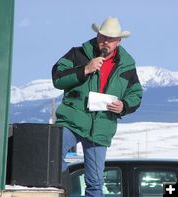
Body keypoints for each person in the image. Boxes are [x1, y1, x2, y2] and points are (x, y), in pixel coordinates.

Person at [52, 16, 142, 197]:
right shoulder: (78, 54)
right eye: (102, 37)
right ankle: (63, 191)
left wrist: (123, 105)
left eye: (110, 39)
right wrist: (84, 69)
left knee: (95, 184)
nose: (105, 42)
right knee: (51, 155)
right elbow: (57, 77)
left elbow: (135, 94)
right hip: (73, 121)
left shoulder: (127, 64)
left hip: (101, 126)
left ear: (118, 41)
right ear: (97, 35)